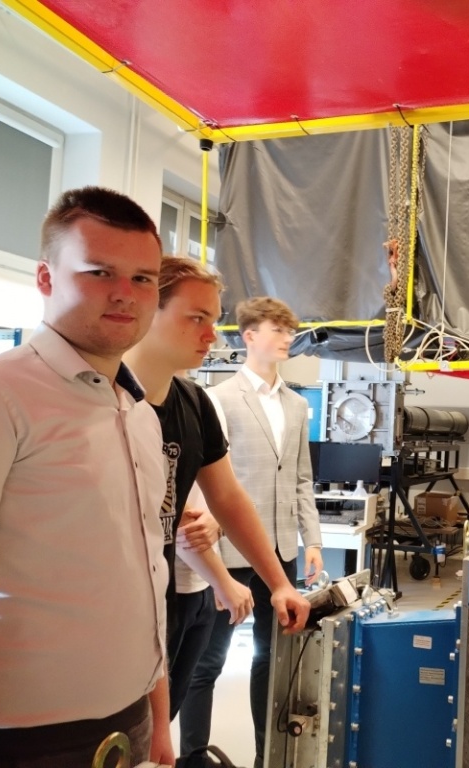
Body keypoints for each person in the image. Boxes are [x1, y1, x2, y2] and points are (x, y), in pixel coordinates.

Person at [0, 186, 168, 768]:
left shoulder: (137, 413)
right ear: (45, 278)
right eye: (99, 272)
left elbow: (144, 569)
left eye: (143, 279)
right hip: (26, 738)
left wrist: (157, 719)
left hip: (130, 719)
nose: (125, 294)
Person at [122, 257, 315, 730]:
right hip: (129, 602)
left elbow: (227, 497)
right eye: (197, 318)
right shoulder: (108, 402)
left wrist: (280, 581)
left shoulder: (195, 404)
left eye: (213, 319)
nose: (211, 336)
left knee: (158, 722)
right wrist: (223, 578)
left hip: (180, 591)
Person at [179, 296, 323, 767]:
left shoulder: (297, 405)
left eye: (289, 331)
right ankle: (193, 756)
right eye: (277, 330)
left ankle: (268, 755)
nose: (286, 339)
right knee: (208, 661)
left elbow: (301, 478)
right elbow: (211, 483)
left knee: (271, 659)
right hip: (229, 550)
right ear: (249, 336)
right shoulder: (218, 399)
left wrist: (312, 540)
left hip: (280, 550)